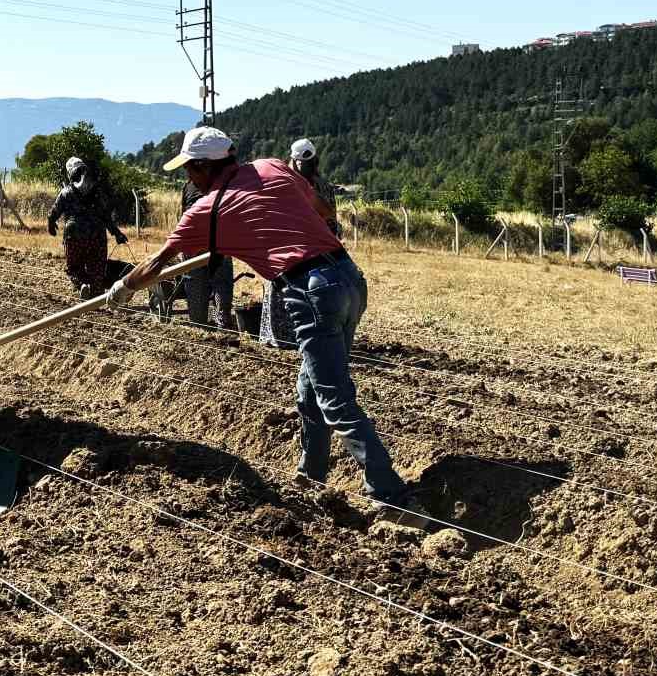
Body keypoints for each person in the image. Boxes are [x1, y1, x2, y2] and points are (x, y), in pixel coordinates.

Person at [108, 126, 425, 524]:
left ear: (204, 167)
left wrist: (123, 288)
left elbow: (158, 263)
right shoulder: (271, 166)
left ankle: (394, 499)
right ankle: (311, 478)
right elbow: (324, 211)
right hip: (348, 278)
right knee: (310, 390)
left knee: (334, 397)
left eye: (189, 168)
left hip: (310, 291)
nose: (187, 176)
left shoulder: (207, 210)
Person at [261, 138, 339, 349]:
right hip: (316, 251)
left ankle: (286, 338)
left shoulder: (293, 184)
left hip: (297, 250)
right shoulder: (322, 185)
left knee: (285, 292)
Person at [47, 157, 127, 297]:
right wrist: (117, 233)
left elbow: (54, 212)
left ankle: (82, 284)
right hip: (97, 236)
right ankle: (96, 298)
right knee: (97, 269)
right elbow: (106, 216)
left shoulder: (66, 192)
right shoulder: (97, 192)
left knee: (74, 268)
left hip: (73, 235)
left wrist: (51, 224)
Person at [180, 166, 235, 328]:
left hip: (195, 244)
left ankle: (199, 324)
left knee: (196, 285)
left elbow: (183, 216)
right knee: (221, 283)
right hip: (218, 243)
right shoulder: (223, 184)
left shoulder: (188, 186)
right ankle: (222, 322)